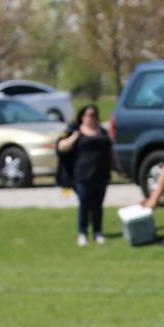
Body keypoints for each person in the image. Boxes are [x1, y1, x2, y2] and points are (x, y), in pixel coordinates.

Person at [57, 105, 115, 246]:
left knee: (98, 206)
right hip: (83, 175)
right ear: (82, 117)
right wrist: (74, 137)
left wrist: (117, 167)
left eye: (94, 114)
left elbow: (110, 150)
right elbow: (61, 147)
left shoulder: (102, 132)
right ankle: (82, 233)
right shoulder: (74, 131)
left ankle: (97, 232)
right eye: (89, 115)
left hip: (100, 175)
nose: (92, 117)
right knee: (84, 205)